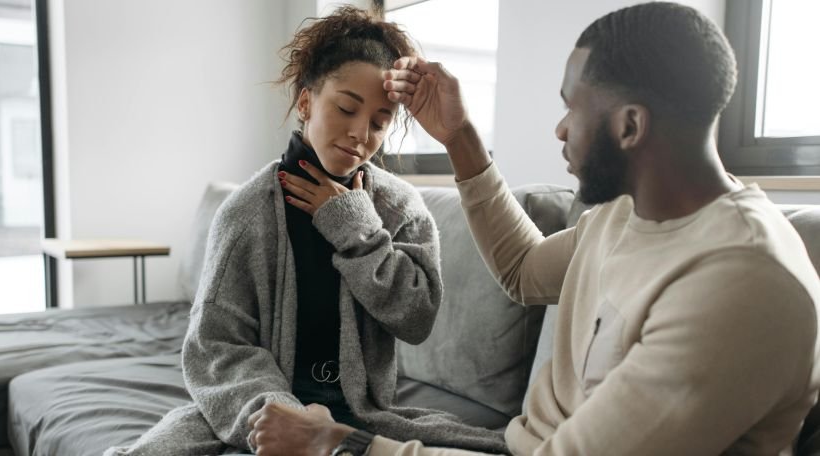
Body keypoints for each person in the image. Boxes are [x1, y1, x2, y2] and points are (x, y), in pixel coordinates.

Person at [247, 2, 820, 455]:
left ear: (629, 125)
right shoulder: (628, 213)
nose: (560, 129)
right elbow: (522, 270)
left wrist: (344, 446)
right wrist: (459, 136)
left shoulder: (743, 283)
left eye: (573, 107)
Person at [104, 6, 507, 456]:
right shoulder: (246, 212)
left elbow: (416, 319)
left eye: (378, 123)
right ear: (305, 101)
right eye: (346, 108)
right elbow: (215, 345)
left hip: (362, 413)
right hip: (255, 406)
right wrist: (277, 411)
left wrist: (356, 228)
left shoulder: (400, 209)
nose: (360, 134)